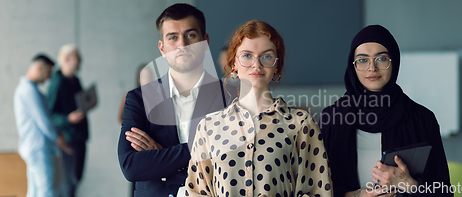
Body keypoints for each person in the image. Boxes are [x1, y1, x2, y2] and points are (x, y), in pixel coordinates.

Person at [185, 20, 333, 197]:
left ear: (277, 65)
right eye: (247, 56)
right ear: (233, 64)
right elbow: (195, 192)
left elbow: (318, 191)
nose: (257, 64)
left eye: (267, 56)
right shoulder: (208, 127)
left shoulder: (301, 123)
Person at [118, 3, 236, 197]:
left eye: (190, 35)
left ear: (205, 42)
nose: (182, 44)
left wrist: (161, 154)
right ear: (162, 48)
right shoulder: (139, 98)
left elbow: (233, 160)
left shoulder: (231, 96)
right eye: (173, 37)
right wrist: (202, 148)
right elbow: (131, 167)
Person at [320, 25, 452, 197]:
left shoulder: (421, 119)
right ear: (352, 66)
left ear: (394, 61)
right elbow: (317, 190)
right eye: (362, 60)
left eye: (381, 59)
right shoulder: (332, 119)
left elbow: (444, 192)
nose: (372, 68)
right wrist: (357, 195)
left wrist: (410, 185)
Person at [14, 54, 72, 197]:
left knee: (35, 191)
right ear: (39, 68)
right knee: (46, 191)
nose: (48, 78)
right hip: (38, 148)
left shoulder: (26, 89)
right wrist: (59, 140)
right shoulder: (29, 91)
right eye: (48, 73)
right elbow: (44, 122)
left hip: (34, 147)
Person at [47, 43, 91, 197]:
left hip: (79, 136)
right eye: (77, 58)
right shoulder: (58, 82)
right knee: (69, 181)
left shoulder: (75, 80)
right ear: (67, 59)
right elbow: (50, 115)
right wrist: (68, 119)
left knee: (75, 179)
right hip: (68, 139)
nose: (80, 61)